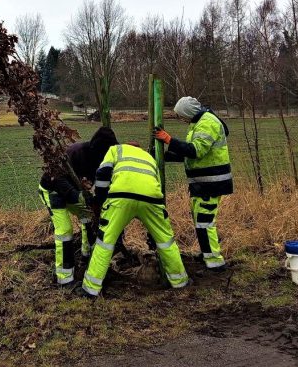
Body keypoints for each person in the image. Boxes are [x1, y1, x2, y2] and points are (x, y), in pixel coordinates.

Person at [78, 142, 189, 297]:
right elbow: (157, 183)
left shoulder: (115, 149)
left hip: (121, 197)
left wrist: (101, 201)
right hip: (152, 199)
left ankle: (91, 289)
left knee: (105, 241)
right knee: (166, 241)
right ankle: (180, 282)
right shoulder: (149, 158)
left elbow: (102, 174)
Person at [153, 96, 233, 271]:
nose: (181, 119)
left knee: (205, 222)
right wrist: (163, 156)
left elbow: (195, 150)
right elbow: (188, 154)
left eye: (181, 116)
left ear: (187, 113)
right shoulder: (198, 122)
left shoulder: (207, 123)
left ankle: (215, 262)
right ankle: (208, 253)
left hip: (211, 183)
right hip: (203, 183)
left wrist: (169, 140)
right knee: (201, 221)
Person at [38, 126, 119, 286]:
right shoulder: (75, 152)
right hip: (53, 191)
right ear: (97, 148)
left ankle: (86, 258)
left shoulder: (105, 158)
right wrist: (78, 196)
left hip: (75, 192)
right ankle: (65, 278)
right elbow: (58, 180)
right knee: (65, 231)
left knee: (88, 218)